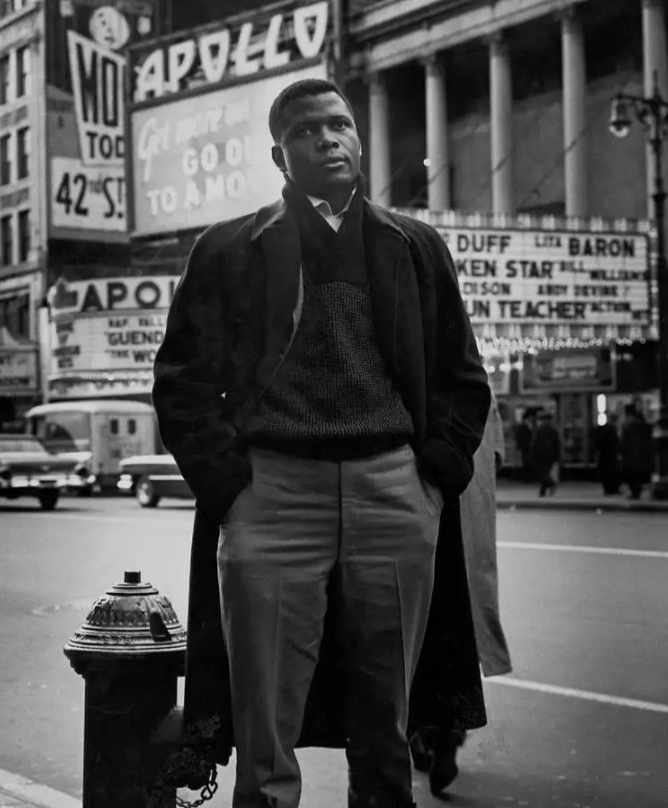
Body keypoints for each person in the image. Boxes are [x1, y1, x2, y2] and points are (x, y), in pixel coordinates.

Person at [152, 77, 491, 808]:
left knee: (386, 719)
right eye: (307, 131)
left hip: (392, 491)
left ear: (358, 140)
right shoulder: (230, 248)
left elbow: (462, 377)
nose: (328, 138)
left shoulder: (413, 245)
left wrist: (433, 474)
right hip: (272, 493)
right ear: (280, 155)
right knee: (264, 724)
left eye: (339, 125)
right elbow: (181, 379)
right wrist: (229, 484)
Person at [409, 392, 512, 797]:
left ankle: (421, 733)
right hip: (467, 510)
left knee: (413, 627)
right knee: (456, 627)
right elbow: (498, 457)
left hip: (424, 504)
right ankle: (446, 734)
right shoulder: (475, 385)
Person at [620, 403, 653, 500]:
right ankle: (636, 491)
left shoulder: (628, 423)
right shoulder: (637, 422)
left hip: (631, 453)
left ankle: (635, 492)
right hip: (636, 453)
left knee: (631, 474)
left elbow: (627, 440)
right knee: (635, 474)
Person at [529, 411, 561, 496]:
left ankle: (546, 487)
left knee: (543, 473)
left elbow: (536, 444)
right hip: (549, 456)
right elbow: (557, 444)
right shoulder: (553, 430)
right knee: (545, 473)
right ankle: (544, 490)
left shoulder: (540, 430)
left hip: (541, 456)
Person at [593, 413, 621, 495]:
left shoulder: (603, 428)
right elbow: (615, 442)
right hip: (610, 454)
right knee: (612, 472)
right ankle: (612, 489)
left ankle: (609, 489)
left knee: (606, 472)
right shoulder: (611, 429)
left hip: (604, 454)